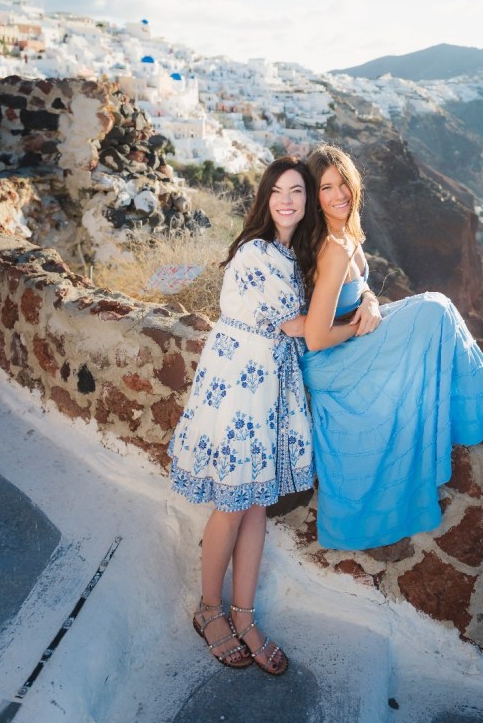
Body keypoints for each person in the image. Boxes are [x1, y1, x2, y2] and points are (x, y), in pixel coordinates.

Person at [300, 145, 483, 552]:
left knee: (438, 311)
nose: (339, 193)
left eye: (343, 182)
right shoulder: (333, 247)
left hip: (347, 343)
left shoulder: (346, 233)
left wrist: (368, 302)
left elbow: (357, 289)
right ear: (314, 194)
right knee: (435, 309)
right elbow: (315, 337)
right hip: (333, 359)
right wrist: (358, 328)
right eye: (326, 187)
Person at [168, 156, 316, 674]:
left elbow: (344, 278)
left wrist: (363, 294)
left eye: (296, 190)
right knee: (234, 502)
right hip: (239, 381)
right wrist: (357, 326)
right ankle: (209, 609)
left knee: (255, 506)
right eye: (277, 190)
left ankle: (244, 615)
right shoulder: (255, 251)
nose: (286, 200)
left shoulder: (297, 255)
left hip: (269, 382)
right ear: (264, 197)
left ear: (309, 198)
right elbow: (300, 326)